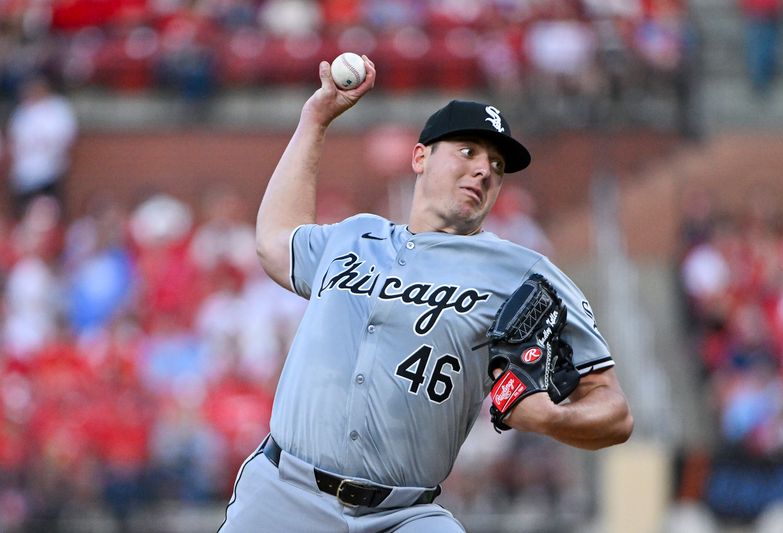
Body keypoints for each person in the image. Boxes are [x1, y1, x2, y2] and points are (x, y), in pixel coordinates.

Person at [218, 56, 633, 532]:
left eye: (497, 165)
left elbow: (614, 412)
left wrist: (550, 418)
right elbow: (275, 240)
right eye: (468, 151)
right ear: (420, 157)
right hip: (284, 497)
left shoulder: (525, 274)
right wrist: (315, 118)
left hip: (404, 514)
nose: (484, 170)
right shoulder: (354, 236)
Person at [3, 74, 78, 219]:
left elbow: (66, 138)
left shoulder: (58, 108)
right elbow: (15, 141)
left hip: (50, 172)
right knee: (23, 213)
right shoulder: (22, 112)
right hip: (24, 174)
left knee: (50, 213)